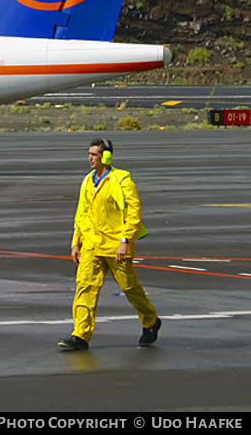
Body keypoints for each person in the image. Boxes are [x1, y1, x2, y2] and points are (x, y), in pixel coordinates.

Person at [58, 138, 161, 351]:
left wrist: (125, 241)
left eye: (94, 154)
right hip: (92, 245)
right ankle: (80, 335)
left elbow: (134, 214)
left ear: (106, 157)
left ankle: (150, 321)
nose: (90, 158)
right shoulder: (87, 181)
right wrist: (76, 242)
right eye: (89, 154)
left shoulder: (122, 180)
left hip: (116, 246)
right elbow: (82, 213)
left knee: (129, 287)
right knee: (85, 287)